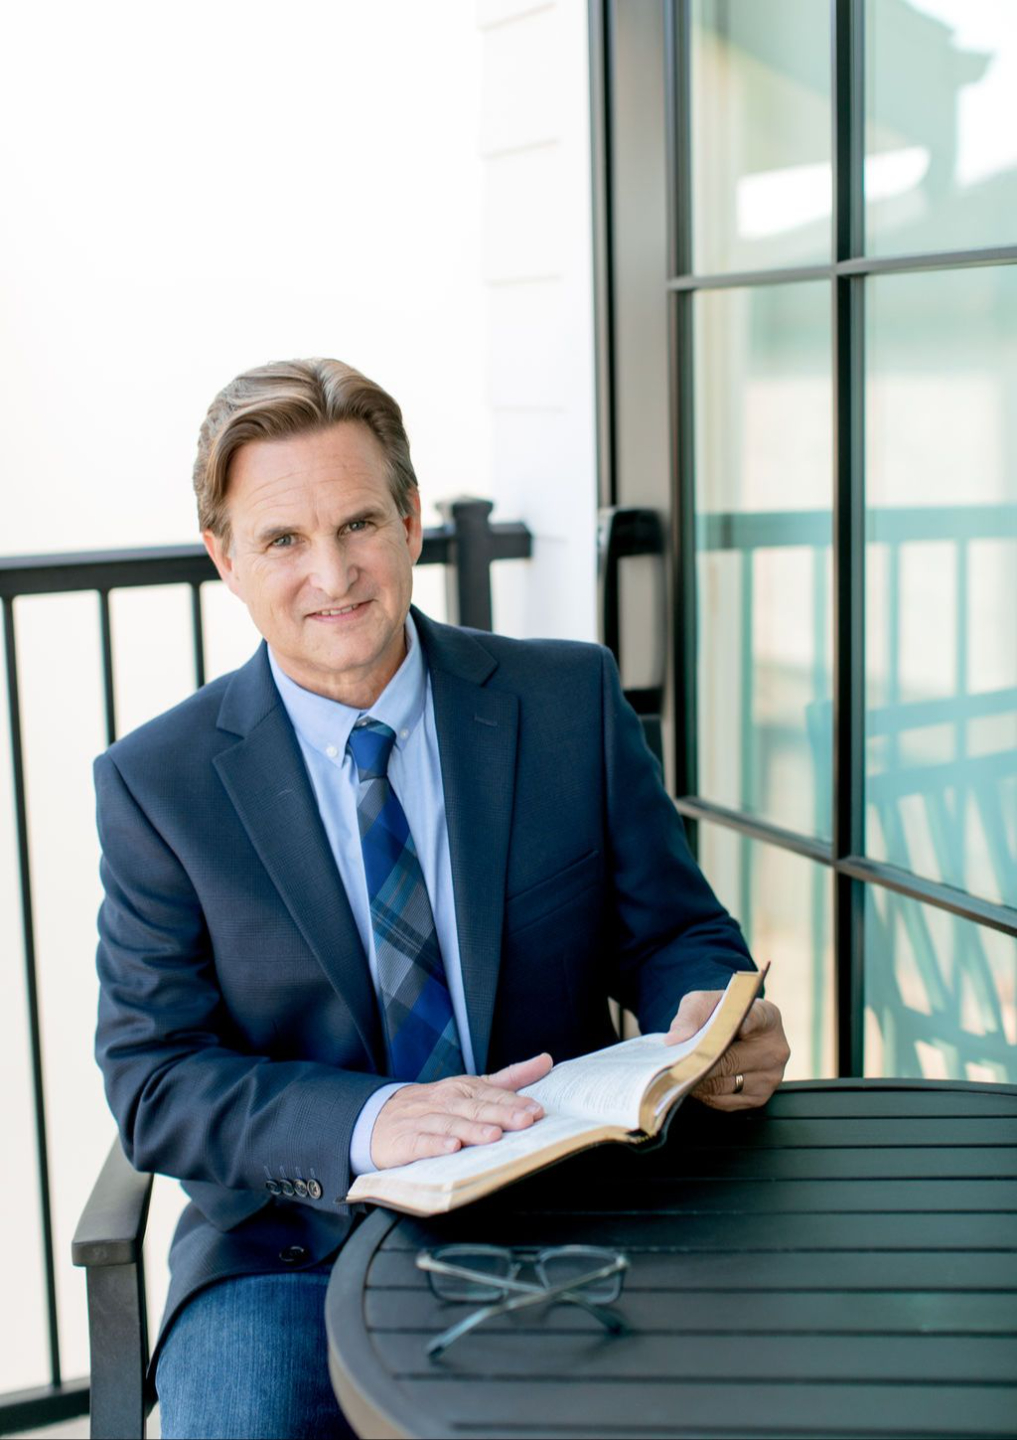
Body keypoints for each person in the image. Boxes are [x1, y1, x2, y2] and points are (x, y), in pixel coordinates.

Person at [94, 357, 790, 1440]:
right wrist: (373, 1120)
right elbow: (154, 1079)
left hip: (569, 1201)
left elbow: (676, 934)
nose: (333, 573)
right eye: (283, 540)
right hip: (291, 1247)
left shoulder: (565, 701)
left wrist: (709, 1020)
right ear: (225, 559)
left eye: (358, 523)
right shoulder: (159, 784)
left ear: (411, 519)